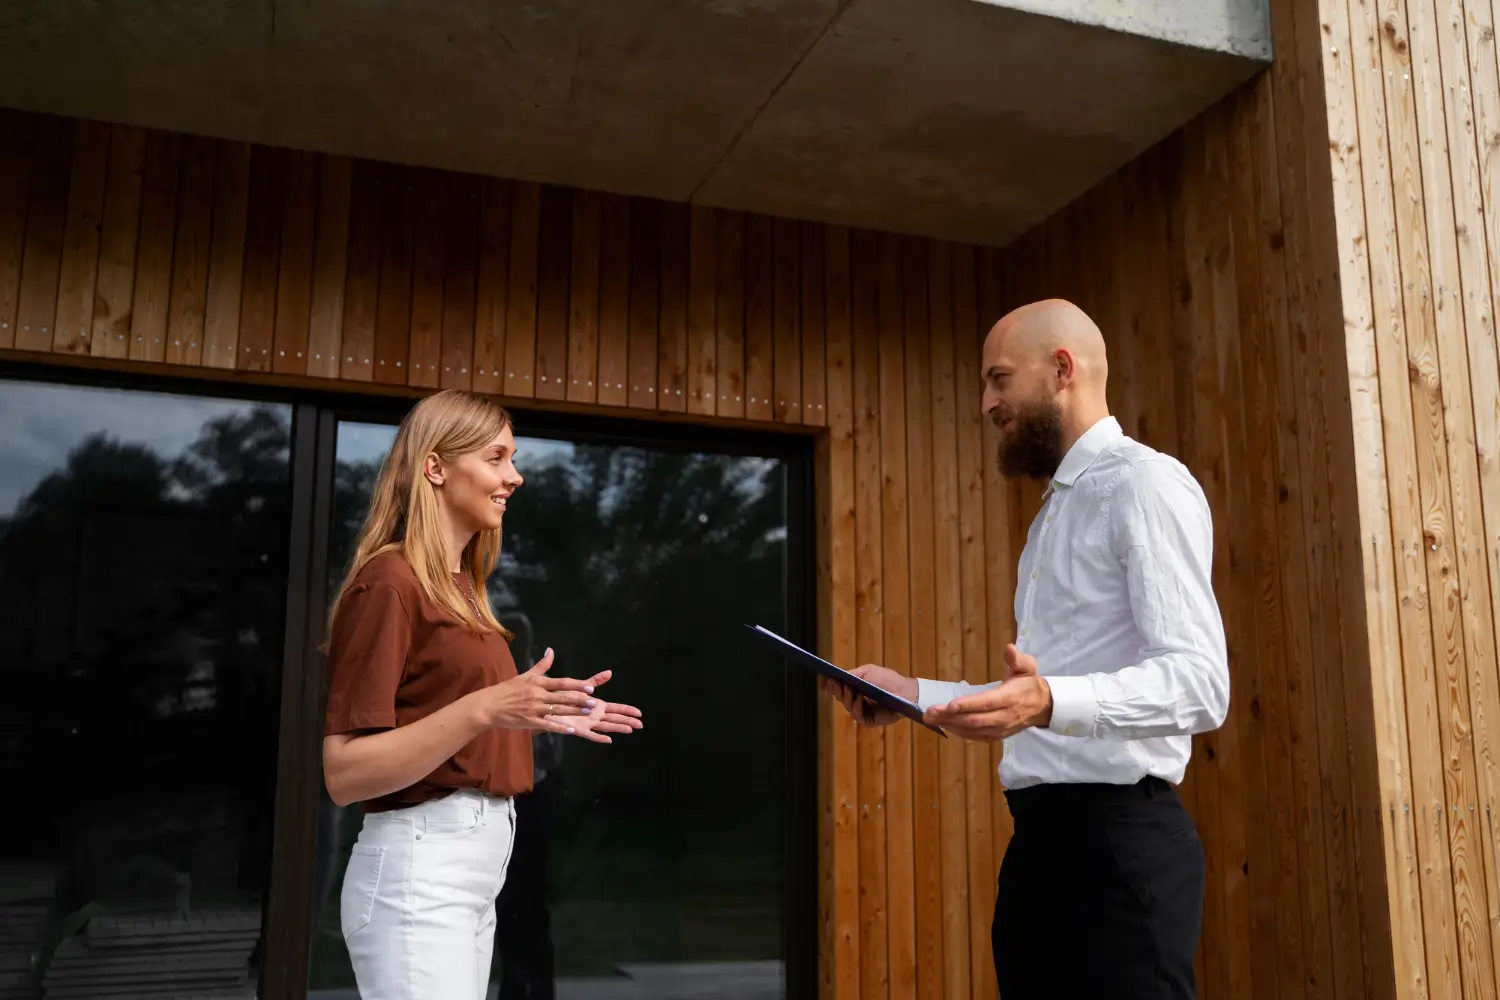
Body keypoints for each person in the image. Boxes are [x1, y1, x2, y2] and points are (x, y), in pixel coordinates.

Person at [822, 299, 1228, 1000]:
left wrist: (1048, 700)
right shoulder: (1057, 511)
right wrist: (912, 694)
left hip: (1119, 854)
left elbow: (1199, 684)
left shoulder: (1142, 483)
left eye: (998, 378)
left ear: (1061, 369)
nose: (986, 402)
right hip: (1040, 851)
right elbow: (1035, 702)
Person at [320, 388, 643, 1000]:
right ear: (435, 466)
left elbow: (453, 725)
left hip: (474, 871)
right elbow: (344, 772)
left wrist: (532, 711)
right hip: (420, 872)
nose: (514, 476)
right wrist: (488, 706)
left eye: (512, 459)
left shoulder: (466, 588)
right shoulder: (390, 581)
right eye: (497, 458)